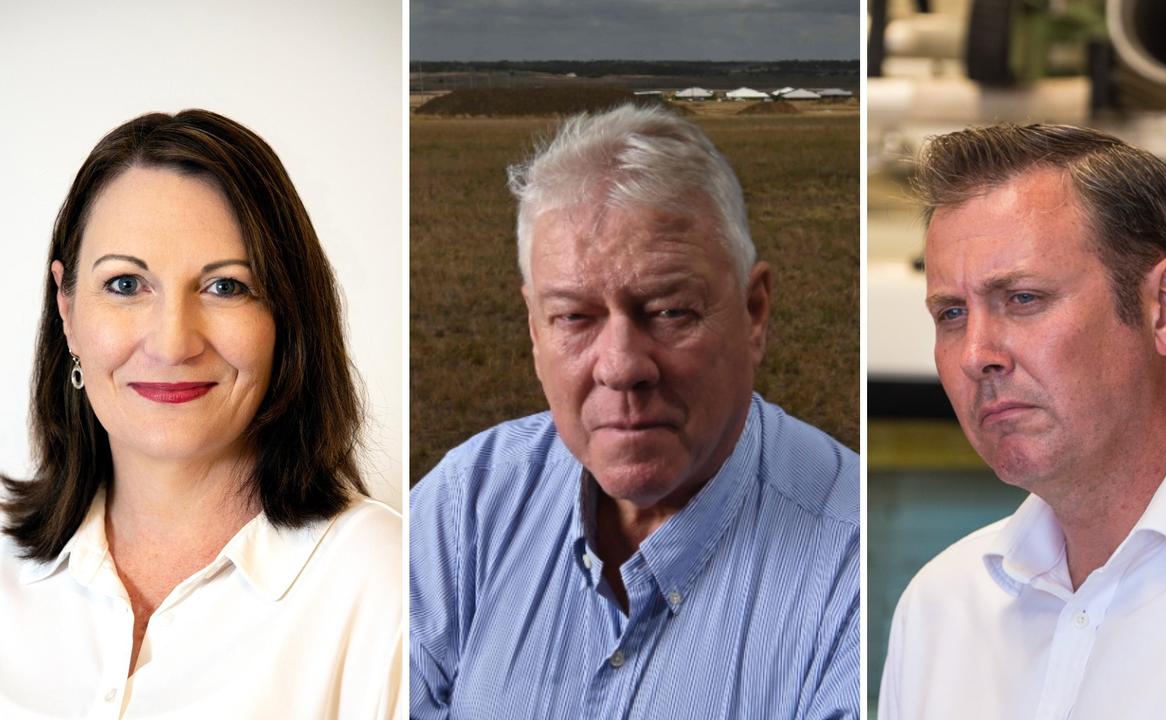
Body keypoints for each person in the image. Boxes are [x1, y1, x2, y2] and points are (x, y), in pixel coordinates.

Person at [408, 104, 859, 718]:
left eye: (670, 311)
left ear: (754, 313)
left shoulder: (851, 571)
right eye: (573, 316)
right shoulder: (466, 508)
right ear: (534, 328)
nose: (621, 366)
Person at [0, 110, 401, 719]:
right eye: (126, 285)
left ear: (286, 315)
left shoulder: (390, 585)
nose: (173, 343)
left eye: (225, 287)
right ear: (66, 306)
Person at [879, 124, 1166, 719]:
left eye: (1022, 299)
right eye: (952, 312)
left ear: (1165, 307)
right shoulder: (940, 610)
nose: (974, 354)